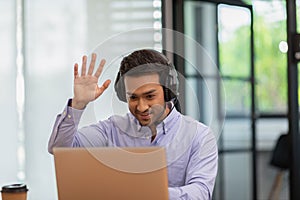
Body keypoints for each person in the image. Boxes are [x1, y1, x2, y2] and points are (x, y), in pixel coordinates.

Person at [48, 49, 218, 199]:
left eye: (150, 96)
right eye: (133, 97)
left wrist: (145, 192)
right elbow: (60, 148)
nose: (142, 107)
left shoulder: (199, 135)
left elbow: (200, 193)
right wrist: (78, 104)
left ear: (168, 92)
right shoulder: (112, 129)